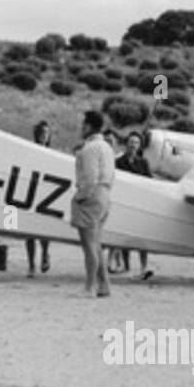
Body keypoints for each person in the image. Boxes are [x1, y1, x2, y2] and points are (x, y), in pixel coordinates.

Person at [71, 109, 115, 297]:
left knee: (89, 245)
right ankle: (104, 285)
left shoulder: (89, 149)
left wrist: (81, 196)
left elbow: (90, 177)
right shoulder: (107, 147)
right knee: (96, 244)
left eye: (83, 124)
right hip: (105, 194)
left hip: (91, 195)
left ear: (89, 126)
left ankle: (90, 287)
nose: (81, 127)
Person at [113, 131, 153, 280]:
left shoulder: (143, 163)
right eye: (131, 142)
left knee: (142, 238)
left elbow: (150, 182)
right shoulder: (118, 162)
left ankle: (143, 267)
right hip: (124, 202)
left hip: (140, 204)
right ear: (126, 144)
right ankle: (126, 266)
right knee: (125, 237)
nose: (133, 145)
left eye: (136, 143)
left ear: (139, 145)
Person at [25, 120, 53, 277]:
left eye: (47, 133)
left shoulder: (51, 154)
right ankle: (31, 264)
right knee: (29, 232)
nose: (44, 136)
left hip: (45, 195)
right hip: (30, 193)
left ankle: (45, 254)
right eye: (42, 133)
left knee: (43, 230)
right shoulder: (30, 150)